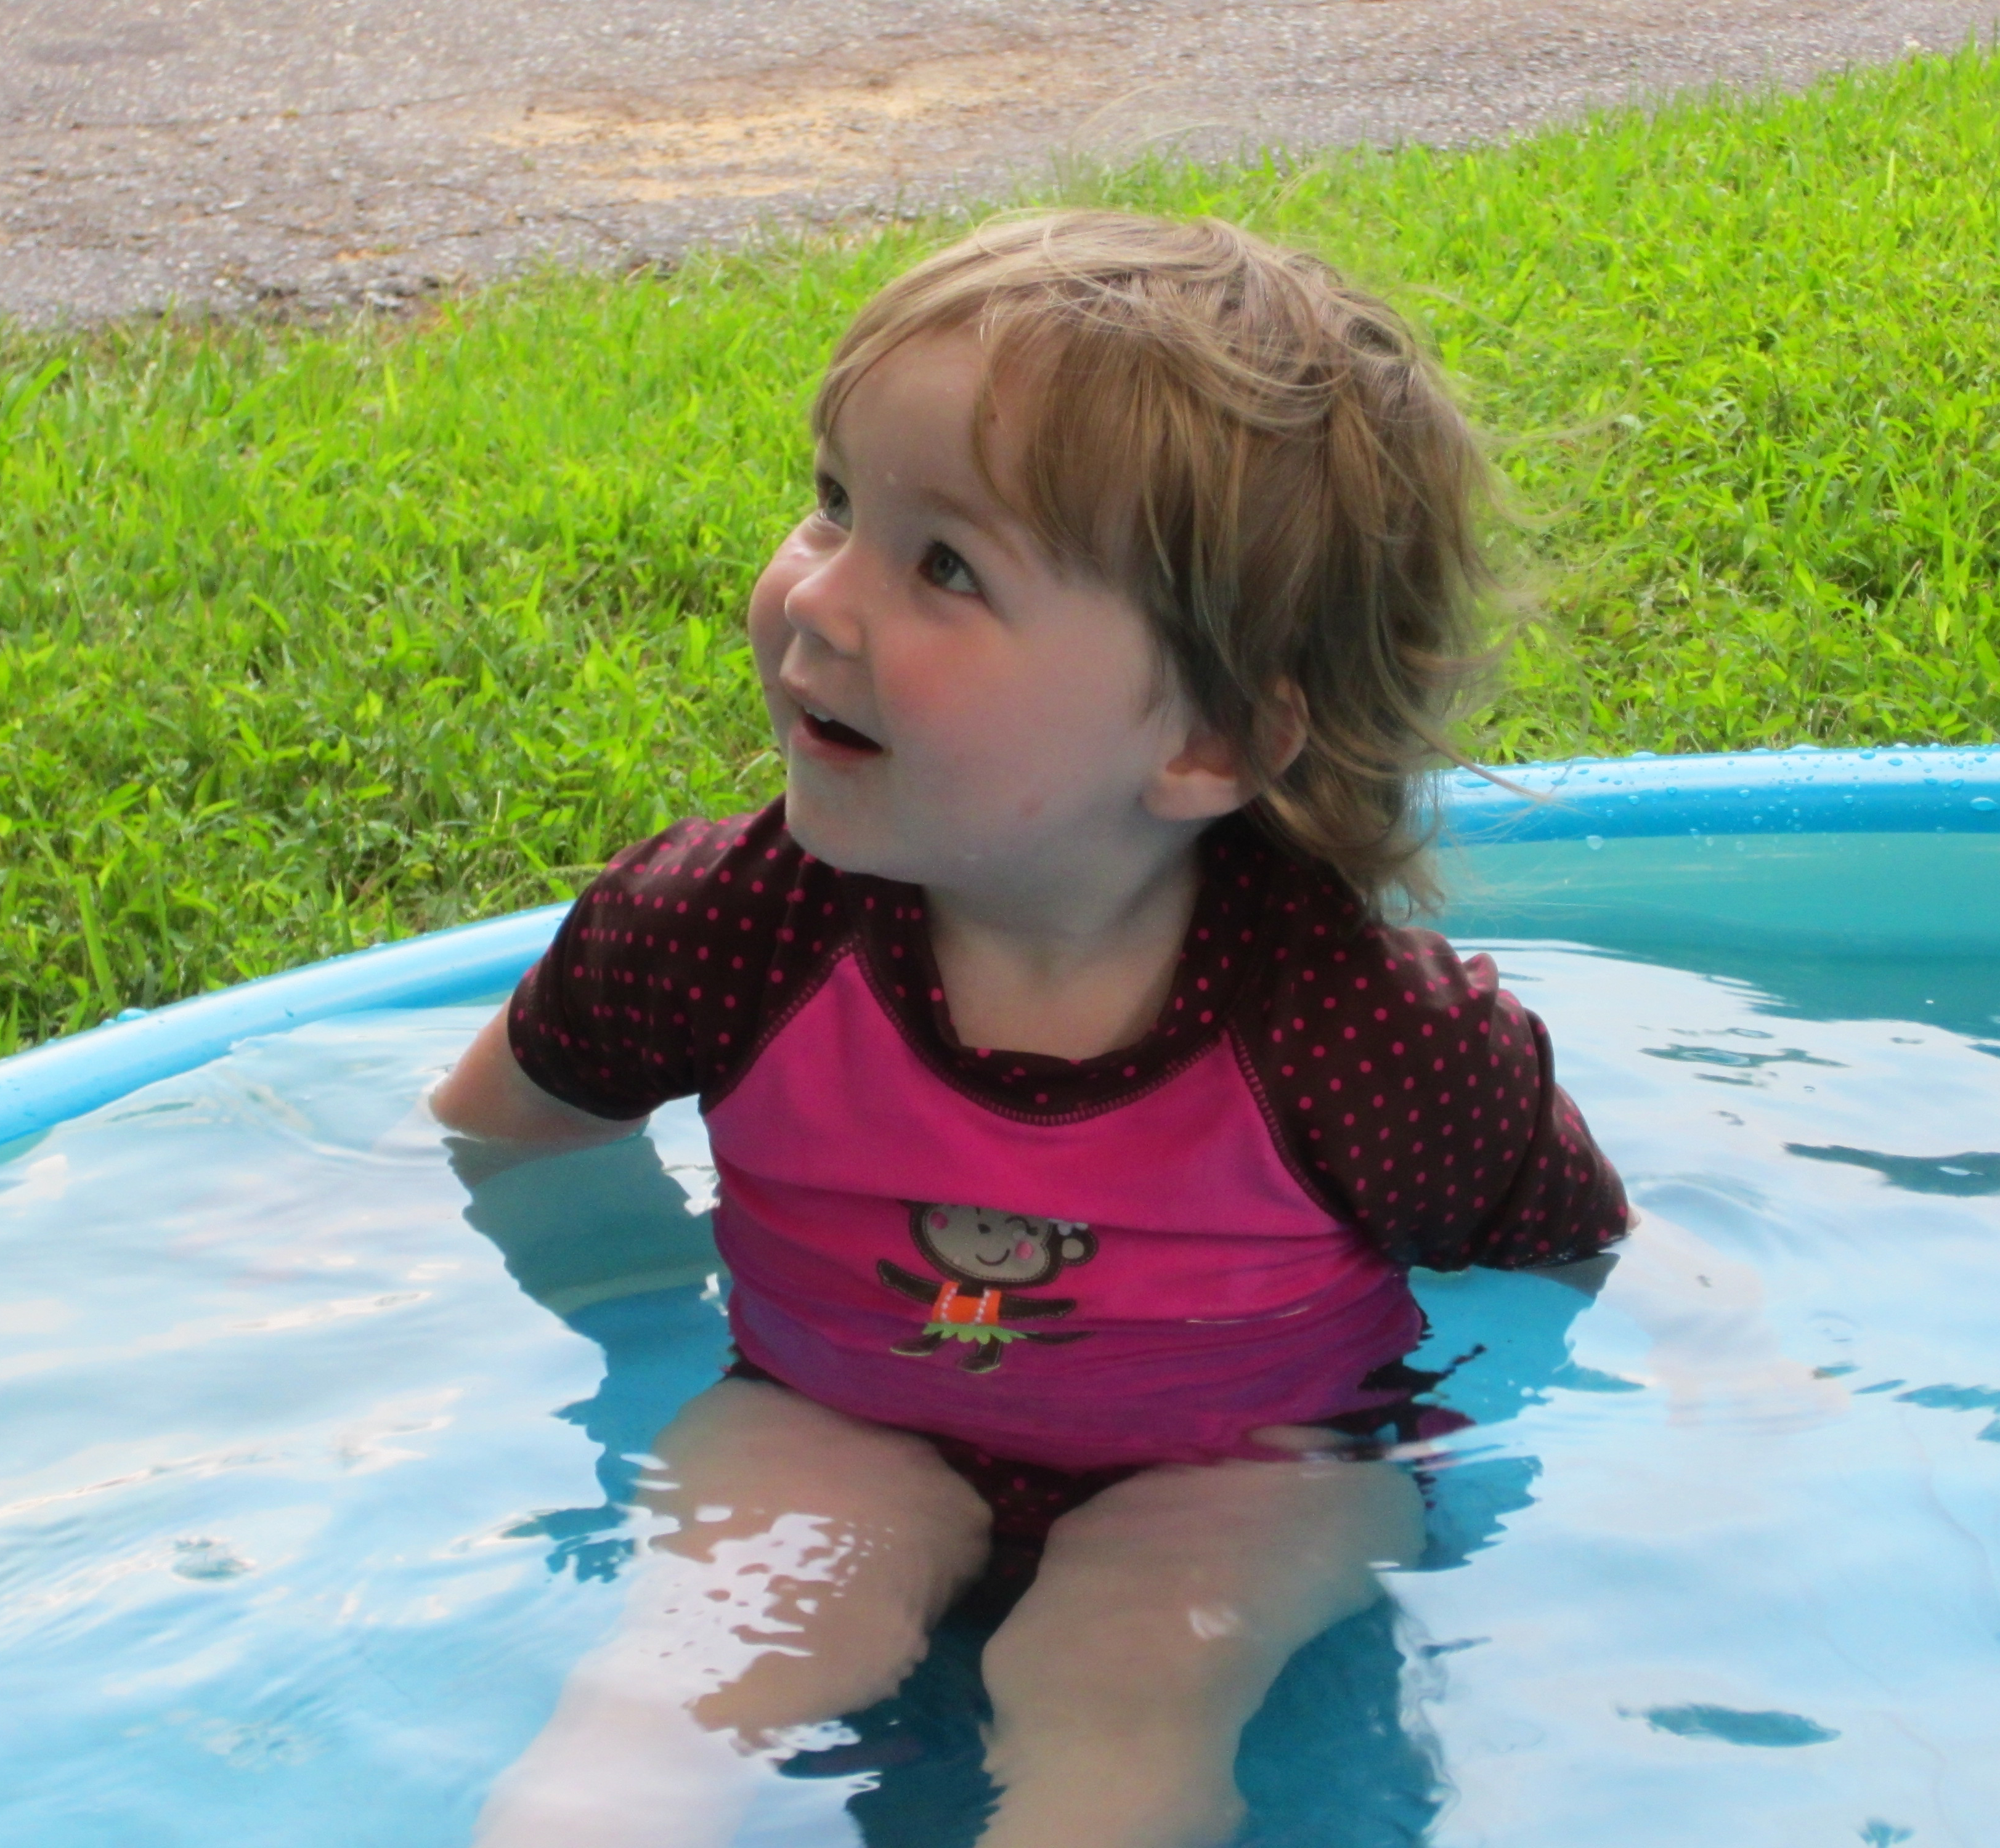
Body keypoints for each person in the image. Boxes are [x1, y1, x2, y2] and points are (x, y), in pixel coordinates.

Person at [434, 211, 1630, 1848]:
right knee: (691, 1680)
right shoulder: (729, 929)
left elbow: (1562, 1265)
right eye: (835, 504)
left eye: (945, 566)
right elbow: (503, 1132)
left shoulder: (1361, 1037)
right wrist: (623, 1306)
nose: (818, 601)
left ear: (1212, 741)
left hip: (1238, 1477)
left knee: (1124, 1684)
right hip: (831, 1424)